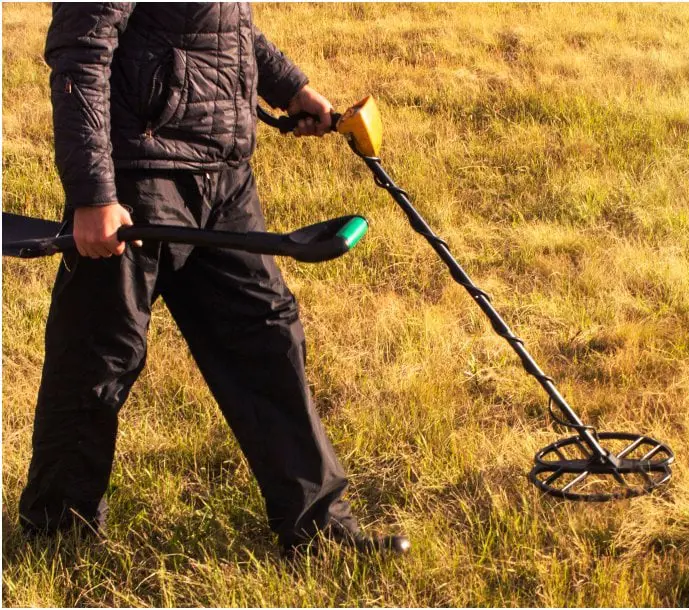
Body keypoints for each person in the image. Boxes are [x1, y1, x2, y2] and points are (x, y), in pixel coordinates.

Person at [18, 2, 408, 556]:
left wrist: (289, 87)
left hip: (224, 178)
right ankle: (57, 533)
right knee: (98, 357)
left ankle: (318, 530)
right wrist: (93, 195)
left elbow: (225, 21)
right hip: (140, 177)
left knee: (268, 339)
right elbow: (81, 53)